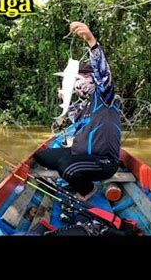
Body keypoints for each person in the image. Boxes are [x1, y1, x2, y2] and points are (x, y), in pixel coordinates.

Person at [34, 22, 121, 201]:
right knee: (41, 156)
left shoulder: (104, 96)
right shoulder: (84, 104)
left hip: (104, 161)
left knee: (68, 168)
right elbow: (72, 118)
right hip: (80, 154)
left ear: (91, 79)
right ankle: (70, 173)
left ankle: (88, 190)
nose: (77, 84)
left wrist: (91, 40)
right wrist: (65, 97)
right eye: (75, 82)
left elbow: (102, 74)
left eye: (79, 80)